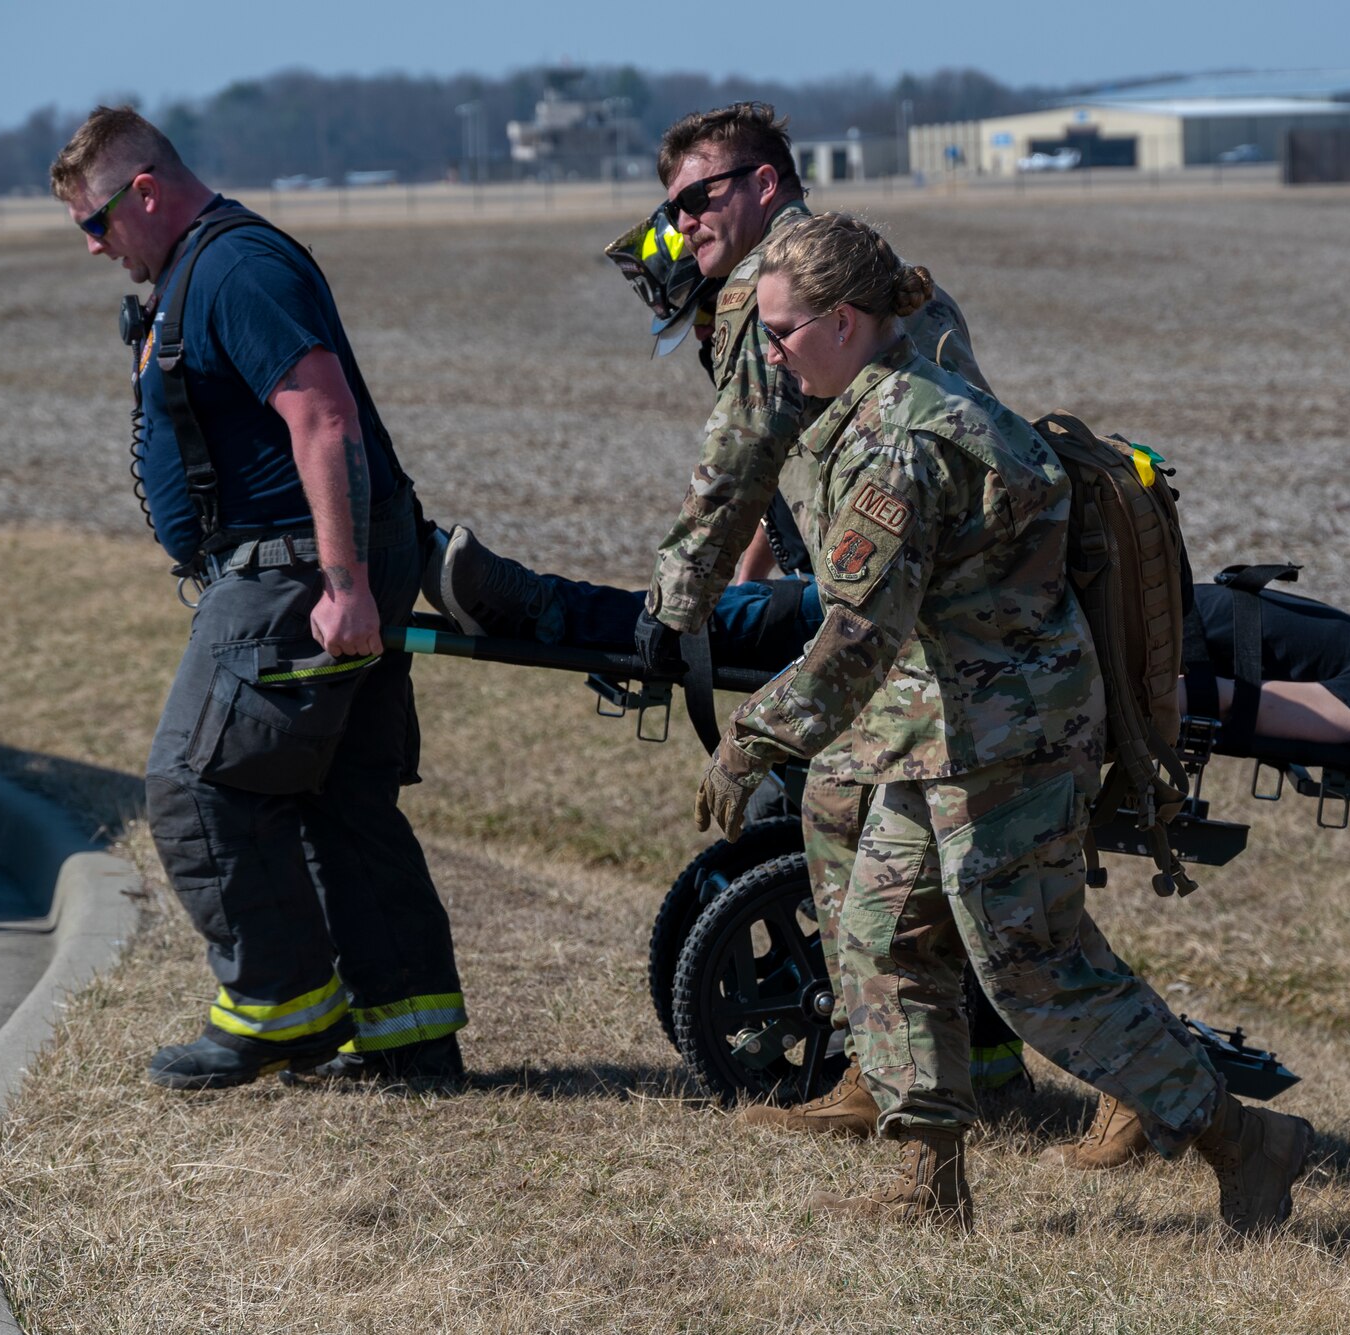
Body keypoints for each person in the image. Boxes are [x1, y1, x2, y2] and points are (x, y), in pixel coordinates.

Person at [694, 210, 1315, 1231]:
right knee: (885, 937)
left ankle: (1243, 1140)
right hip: (942, 730)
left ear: (846, 321)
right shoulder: (904, 400)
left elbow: (858, 632)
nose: (767, 353)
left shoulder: (899, 440)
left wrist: (754, 735)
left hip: (1005, 740)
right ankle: (924, 1179)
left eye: (781, 331)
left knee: (1034, 970)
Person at [427, 103, 1018, 1135]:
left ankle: (889, 1071)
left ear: (761, 181)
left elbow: (738, 462)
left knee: (824, 812)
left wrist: (675, 608)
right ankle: (958, 1056)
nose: (682, 223)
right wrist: (743, 577)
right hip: (960, 588)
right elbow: (791, 483)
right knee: (885, 828)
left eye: (697, 198)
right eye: (669, 205)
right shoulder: (871, 270)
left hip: (899, 608)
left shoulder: (771, 287)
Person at [49, 108, 466, 1090]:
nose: (94, 246)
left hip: (293, 571)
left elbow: (322, 416)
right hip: (302, 563)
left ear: (145, 190)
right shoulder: (200, 268)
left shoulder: (235, 270)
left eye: (96, 223)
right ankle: (410, 1033)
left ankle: (278, 1010)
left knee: (196, 784)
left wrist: (344, 582)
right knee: (337, 795)